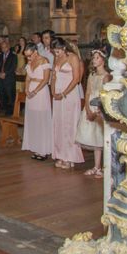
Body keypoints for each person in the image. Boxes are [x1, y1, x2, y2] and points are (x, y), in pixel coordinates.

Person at [75, 50, 111, 178]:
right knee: (93, 137)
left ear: (103, 60)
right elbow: (88, 92)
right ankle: (96, 166)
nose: (94, 60)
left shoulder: (106, 76)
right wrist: (88, 109)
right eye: (93, 58)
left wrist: (97, 112)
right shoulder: (92, 74)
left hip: (99, 108)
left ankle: (104, 167)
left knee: (100, 136)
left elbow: (105, 96)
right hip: (90, 105)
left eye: (97, 58)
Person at [51, 37, 84, 169]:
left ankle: (70, 157)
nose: (56, 54)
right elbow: (53, 76)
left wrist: (64, 93)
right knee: (58, 124)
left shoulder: (73, 58)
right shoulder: (56, 58)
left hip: (69, 94)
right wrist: (53, 91)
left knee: (69, 124)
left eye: (58, 51)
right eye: (54, 51)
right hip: (58, 94)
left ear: (63, 48)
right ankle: (60, 154)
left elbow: (76, 79)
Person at [21, 43, 52, 160]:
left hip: (41, 91)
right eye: (26, 56)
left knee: (41, 119)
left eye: (29, 55)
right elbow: (28, 78)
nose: (28, 58)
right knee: (33, 119)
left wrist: (35, 91)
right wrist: (27, 89)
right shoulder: (29, 62)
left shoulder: (44, 61)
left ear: (35, 52)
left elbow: (45, 80)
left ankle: (43, 150)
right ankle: (35, 147)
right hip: (31, 91)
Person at [0, 38, 17, 115]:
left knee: (10, 96)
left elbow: (13, 67)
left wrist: (5, 73)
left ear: (9, 47)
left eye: (5, 47)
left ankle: (11, 113)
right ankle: (3, 111)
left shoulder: (13, 56)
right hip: (1, 80)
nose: (4, 49)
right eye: (2, 47)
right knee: (2, 95)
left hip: (9, 79)